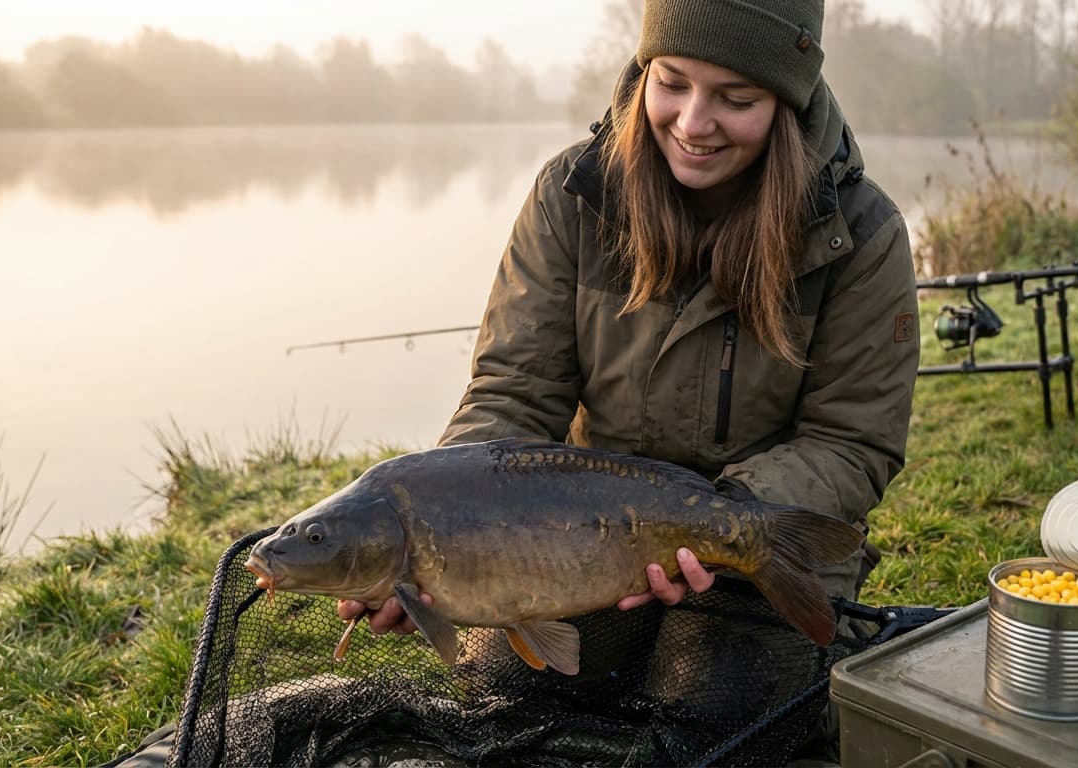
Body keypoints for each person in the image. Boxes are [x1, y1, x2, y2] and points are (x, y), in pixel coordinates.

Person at [340, 0, 917, 644]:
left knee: (718, 711)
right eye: (670, 83)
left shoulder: (860, 234)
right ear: (643, 72)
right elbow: (515, 393)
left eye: (736, 98)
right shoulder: (572, 194)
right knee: (511, 689)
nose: (694, 123)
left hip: (761, 528)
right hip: (574, 539)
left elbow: (851, 442)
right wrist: (441, 527)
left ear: (786, 101)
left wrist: (721, 517)